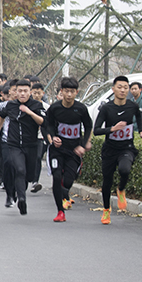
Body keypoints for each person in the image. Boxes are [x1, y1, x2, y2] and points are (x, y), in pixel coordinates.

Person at [93, 76, 142, 224]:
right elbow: (96, 130)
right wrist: (112, 129)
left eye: (125, 87)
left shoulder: (132, 106)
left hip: (126, 147)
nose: (123, 90)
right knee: (107, 181)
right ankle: (106, 210)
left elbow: (139, 116)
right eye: (119, 87)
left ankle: (121, 189)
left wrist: (141, 132)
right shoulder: (106, 108)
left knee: (125, 170)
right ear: (113, 89)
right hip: (110, 149)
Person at [45, 77, 93, 222]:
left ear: (77, 92)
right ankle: (60, 211)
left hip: (74, 150)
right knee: (56, 176)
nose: (69, 94)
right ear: (62, 91)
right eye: (66, 91)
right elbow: (48, 125)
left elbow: (88, 126)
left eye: (72, 91)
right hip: (57, 149)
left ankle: (64, 189)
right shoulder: (55, 108)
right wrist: (53, 137)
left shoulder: (81, 109)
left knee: (67, 182)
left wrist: (83, 144)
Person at [0, 79, 45, 215]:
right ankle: (21, 199)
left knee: (28, 176)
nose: (22, 93)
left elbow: (42, 122)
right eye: (20, 91)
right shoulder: (11, 105)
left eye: (25, 91)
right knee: (19, 169)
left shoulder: (36, 105)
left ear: (30, 92)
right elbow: (1, 116)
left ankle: (20, 191)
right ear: (15, 92)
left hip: (31, 145)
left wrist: (29, 112)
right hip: (14, 144)